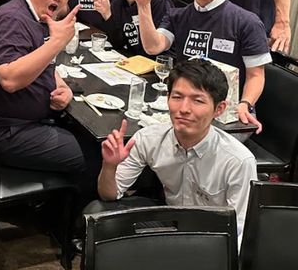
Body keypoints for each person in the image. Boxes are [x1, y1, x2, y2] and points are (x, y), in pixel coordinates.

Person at [93, 59, 257, 246]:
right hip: (170, 224)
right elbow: (109, 195)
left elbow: (239, 233)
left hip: (211, 240)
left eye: (197, 100)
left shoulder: (238, 161)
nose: (184, 109)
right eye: (177, 97)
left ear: (219, 109)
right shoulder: (148, 138)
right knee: (99, 216)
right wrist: (109, 166)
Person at [133, 0, 270, 130]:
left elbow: (256, 75)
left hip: (227, 113)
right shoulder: (177, 15)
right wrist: (143, 6)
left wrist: (245, 104)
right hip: (185, 107)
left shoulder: (247, 21)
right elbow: (153, 47)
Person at [0, 0, 85, 174]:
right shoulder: (13, 19)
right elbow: (9, 79)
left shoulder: (35, 16)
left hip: (17, 121)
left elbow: (40, 62)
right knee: (91, 153)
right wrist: (58, 42)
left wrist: (63, 87)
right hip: (5, 129)